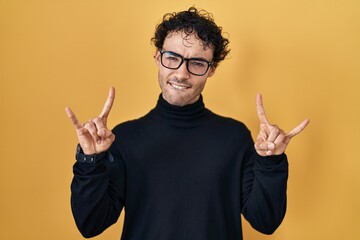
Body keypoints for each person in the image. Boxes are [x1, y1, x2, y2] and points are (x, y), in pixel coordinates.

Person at [65, 7, 309, 240]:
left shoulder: (234, 137)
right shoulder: (124, 138)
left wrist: (271, 162)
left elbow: (266, 222)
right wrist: (90, 161)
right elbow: (90, 224)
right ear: (157, 57)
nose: (182, 73)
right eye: (172, 57)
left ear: (211, 69)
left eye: (197, 63)